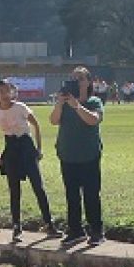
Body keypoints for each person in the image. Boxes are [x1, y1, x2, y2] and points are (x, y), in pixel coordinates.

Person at [0, 79, 57, 242]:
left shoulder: (20, 107)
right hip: (11, 148)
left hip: (26, 145)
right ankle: (17, 226)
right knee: (14, 189)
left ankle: (49, 223)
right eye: (0, 91)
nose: (4, 94)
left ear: (12, 92)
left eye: (7, 91)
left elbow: (36, 124)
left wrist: (39, 148)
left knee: (38, 186)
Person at [50, 65, 106, 248]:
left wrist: (77, 106)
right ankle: (75, 231)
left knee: (91, 194)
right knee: (71, 196)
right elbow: (54, 120)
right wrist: (60, 103)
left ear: (89, 82)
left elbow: (93, 120)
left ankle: (96, 231)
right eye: (74, 78)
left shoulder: (94, 101)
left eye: (81, 78)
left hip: (89, 155)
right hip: (68, 155)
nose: (77, 82)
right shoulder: (65, 104)